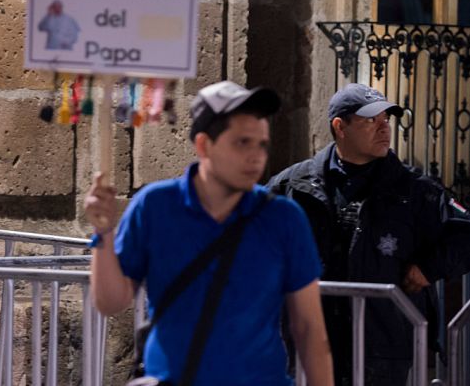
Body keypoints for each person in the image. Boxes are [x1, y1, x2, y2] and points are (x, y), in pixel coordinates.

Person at [85, 81, 334, 385]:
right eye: (242, 142)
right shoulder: (154, 206)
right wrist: (104, 233)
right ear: (203, 145)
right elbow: (111, 302)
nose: (257, 156)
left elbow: (310, 329)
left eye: (262, 144)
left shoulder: (284, 218)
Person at [267, 82, 470, 386]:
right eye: (370, 121)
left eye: (386, 120)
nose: (384, 129)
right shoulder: (292, 185)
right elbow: (250, 237)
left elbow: (465, 237)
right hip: (308, 343)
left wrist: (431, 267)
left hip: (382, 348)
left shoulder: (416, 190)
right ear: (340, 127)